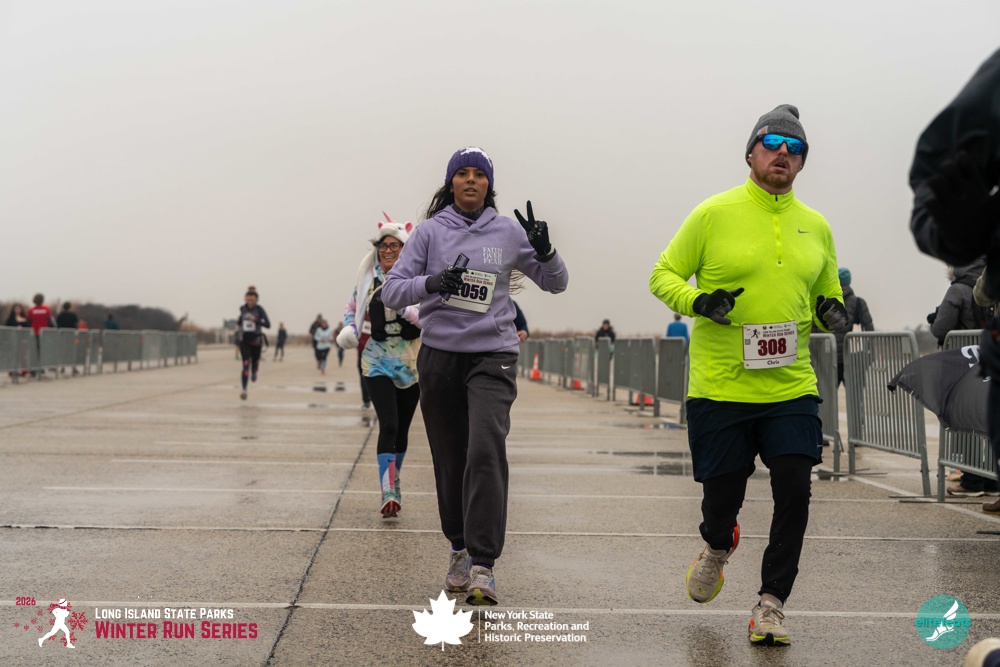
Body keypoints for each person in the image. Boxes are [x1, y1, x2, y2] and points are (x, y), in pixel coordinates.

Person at [650, 104, 848, 646]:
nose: (783, 153)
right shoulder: (713, 214)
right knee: (721, 503)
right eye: (773, 143)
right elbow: (662, 274)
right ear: (750, 152)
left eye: (795, 147)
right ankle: (718, 544)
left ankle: (771, 604)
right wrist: (699, 301)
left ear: (802, 163)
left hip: (790, 386)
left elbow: (825, 295)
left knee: (795, 490)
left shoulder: (817, 226)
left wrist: (832, 313)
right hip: (721, 388)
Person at [381, 147, 569, 605]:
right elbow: (391, 291)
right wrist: (432, 283)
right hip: (441, 357)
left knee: (485, 448)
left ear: (488, 184)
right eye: (462, 174)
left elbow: (556, 282)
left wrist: (546, 250)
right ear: (450, 183)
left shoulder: (507, 231)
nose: (470, 180)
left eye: (479, 175)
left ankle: (484, 564)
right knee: (451, 459)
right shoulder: (430, 232)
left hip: (493, 356)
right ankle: (459, 549)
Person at [907, 48, 1000, 517]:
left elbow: (942, 324)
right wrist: (955, 231)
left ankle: (976, 476)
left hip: (977, 349)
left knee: (969, 427)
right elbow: (936, 176)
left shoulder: (958, 287)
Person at [337, 215, 422, 518]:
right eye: (383, 246)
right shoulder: (368, 281)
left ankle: (394, 480)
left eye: (394, 246)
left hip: (411, 363)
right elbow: (351, 308)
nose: (388, 250)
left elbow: (429, 316)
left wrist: (407, 309)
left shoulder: (416, 280)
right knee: (389, 424)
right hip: (376, 362)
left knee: (402, 430)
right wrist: (350, 328)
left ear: (404, 249)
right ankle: (387, 490)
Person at [827, 267, 874, 386]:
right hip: (854, 360)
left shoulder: (825, 304)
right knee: (855, 396)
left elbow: (815, 330)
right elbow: (870, 331)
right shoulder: (858, 303)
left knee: (826, 397)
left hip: (828, 360)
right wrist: (869, 358)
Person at [236, 287, 270, 400]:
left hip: (256, 341)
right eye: (248, 300)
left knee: (254, 364)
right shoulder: (243, 309)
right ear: (245, 299)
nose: (250, 302)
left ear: (256, 300)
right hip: (245, 341)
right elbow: (240, 321)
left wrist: (256, 320)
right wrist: (238, 328)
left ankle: (254, 371)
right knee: (245, 365)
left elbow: (268, 324)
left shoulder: (259, 310)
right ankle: (244, 390)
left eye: (252, 300)